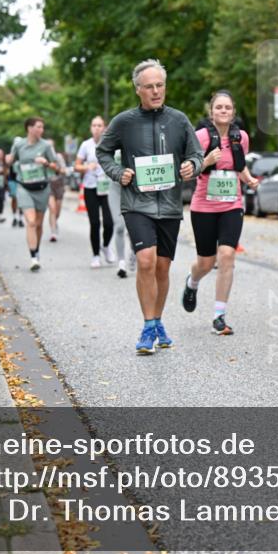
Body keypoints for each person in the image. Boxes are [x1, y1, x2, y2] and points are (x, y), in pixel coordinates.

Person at [97, 59, 204, 355]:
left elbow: (196, 154)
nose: (156, 91)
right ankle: (147, 327)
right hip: (137, 203)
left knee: (162, 266)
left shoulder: (179, 120)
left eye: (160, 85)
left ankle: (158, 320)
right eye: (150, 86)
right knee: (145, 260)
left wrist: (190, 166)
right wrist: (120, 173)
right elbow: (103, 151)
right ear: (138, 90)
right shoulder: (124, 122)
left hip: (169, 205)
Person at [180, 91, 259, 335]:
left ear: (233, 112)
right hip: (203, 205)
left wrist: (249, 179)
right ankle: (192, 282)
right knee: (206, 262)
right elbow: (187, 170)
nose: (223, 111)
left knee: (226, 256)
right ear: (211, 112)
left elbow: (238, 165)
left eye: (227, 108)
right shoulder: (201, 137)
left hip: (231, 205)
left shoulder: (241, 138)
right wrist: (206, 161)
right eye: (219, 108)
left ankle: (219, 316)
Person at [7, 117, 63, 271]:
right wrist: (8, 159)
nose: (41, 130)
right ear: (29, 128)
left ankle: (36, 250)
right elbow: (10, 161)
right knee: (31, 222)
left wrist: (45, 163)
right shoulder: (19, 145)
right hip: (24, 187)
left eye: (42, 127)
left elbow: (57, 167)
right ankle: (33, 257)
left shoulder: (45, 146)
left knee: (38, 224)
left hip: (42, 189)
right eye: (39, 127)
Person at [75, 116, 116, 268]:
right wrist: (87, 167)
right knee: (94, 223)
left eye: (100, 125)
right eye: (94, 125)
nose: (97, 128)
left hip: (107, 187)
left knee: (109, 222)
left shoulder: (110, 144)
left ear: (104, 128)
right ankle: (95, 255)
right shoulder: (86, 145)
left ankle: (105, 246)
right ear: (91, 128)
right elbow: (76, 166)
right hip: (90, 187)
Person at [46, 140, 67, 242]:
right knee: (52, 209)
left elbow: (64, 171)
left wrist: (56, 168)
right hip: (47, 185)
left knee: (57, 211)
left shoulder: (58, 157)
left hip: (59, 184)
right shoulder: (43, 158)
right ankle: (53, 232)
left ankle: (55, 222)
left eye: (51, 146)